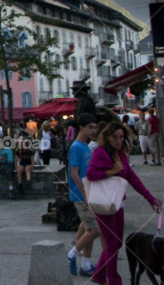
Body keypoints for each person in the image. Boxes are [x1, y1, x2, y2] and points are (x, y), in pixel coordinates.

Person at [86, 121, 161, 285]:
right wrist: (111, 171)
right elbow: (91, 174)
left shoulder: (120, 154)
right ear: (107, 137)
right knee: (112, 245)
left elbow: (132, 178)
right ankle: (114, 281)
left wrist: (150, 199)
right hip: (103, 204)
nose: (119, 140)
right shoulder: (101, 153)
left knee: (117, 242)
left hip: (117, 203)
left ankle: (98, 275)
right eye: (115, 137)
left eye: (121, 137)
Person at [66, 114, 101, 277]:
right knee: (95, 230)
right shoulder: (76, 147)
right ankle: (72, 254)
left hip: (90, 192)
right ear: (81, 127)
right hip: (81, 194)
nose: (93, 130)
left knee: (90, 229)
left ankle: (86, 265)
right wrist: (84, 193)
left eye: (95, 127)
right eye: (90, 127)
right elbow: (74, 173)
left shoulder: (86, 146)